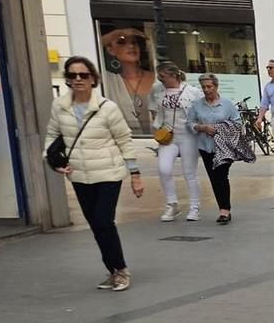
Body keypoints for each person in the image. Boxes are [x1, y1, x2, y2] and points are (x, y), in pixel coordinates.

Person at [46, 56, 143, 291]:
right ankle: (111, 270)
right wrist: (53, 162)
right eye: (72, 75)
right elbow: (52, 137)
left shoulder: (106, 108)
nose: (77, 79)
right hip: (79, 174)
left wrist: (135, 174)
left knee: (103, 220)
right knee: (95, 224)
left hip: (108, 172)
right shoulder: (60, 106)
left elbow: (124, 140)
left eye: (83, 75)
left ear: (93, 79)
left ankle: (120, 270)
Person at [146, 61, 200, 223]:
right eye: (159, 76)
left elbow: (200, 111)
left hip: (188, 135)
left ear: (173, 75)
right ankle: (172, 204)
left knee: (189, 173)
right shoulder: (157, 89)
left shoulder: (192, 91)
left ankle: (194, 207)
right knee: (164, 169)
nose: (160, 79)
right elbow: (152, 108)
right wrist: (157, 125)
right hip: (168, 135)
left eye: (163, 76)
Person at [186, 72, 241, 225]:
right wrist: (201, 127)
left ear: (216, 86)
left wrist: (221, 129)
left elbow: (238, 123)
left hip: (224, 147)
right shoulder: (197, 105)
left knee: (221, 176)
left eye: (209, 86)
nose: (206, 89)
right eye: (204, 87)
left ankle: (225, 210)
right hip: (205, 147)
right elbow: (189, 123)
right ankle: (223, 207)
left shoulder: (227, 104)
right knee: (214, 178)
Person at [98, 25, 157, 135]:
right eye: (121, 42)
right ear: (111, 50)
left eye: (134, 42)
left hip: (160, 142)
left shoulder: (156, 77)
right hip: (126, 145)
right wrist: (118, 32)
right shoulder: (110, 81)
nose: (130, 46)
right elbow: (87, 51)